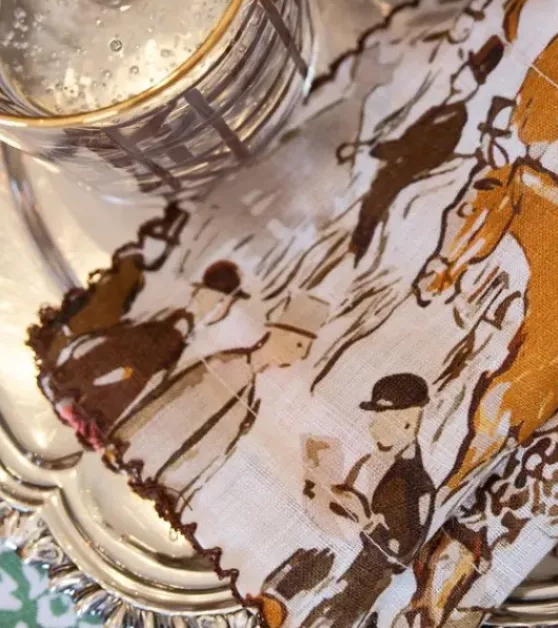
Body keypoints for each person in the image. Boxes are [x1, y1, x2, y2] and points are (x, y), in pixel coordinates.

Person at [114, 293, 326, 515]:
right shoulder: (223, 363)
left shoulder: (251, 392)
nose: (302, 354)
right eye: (300, 344)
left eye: (306, 348)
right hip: (141, 459)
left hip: (165, 483)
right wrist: (127, 437)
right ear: (278, 332)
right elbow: (166, 398)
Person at [257, 374, 435, 628]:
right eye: (375, 418)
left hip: (354, 592)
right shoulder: (368, 462)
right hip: (320, 567)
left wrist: (367, 521)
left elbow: (401, 554)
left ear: (409, 420)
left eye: (382, 419)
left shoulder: (419, 485)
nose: (373, 426)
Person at [44, 260, 251, 445]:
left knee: (119, 383)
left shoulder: (190, 312)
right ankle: (77, 403)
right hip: (143, 350)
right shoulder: (191, 310)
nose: (225, 304)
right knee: (110, 372)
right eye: (226, 299)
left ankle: (83, 409)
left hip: (146, 357)